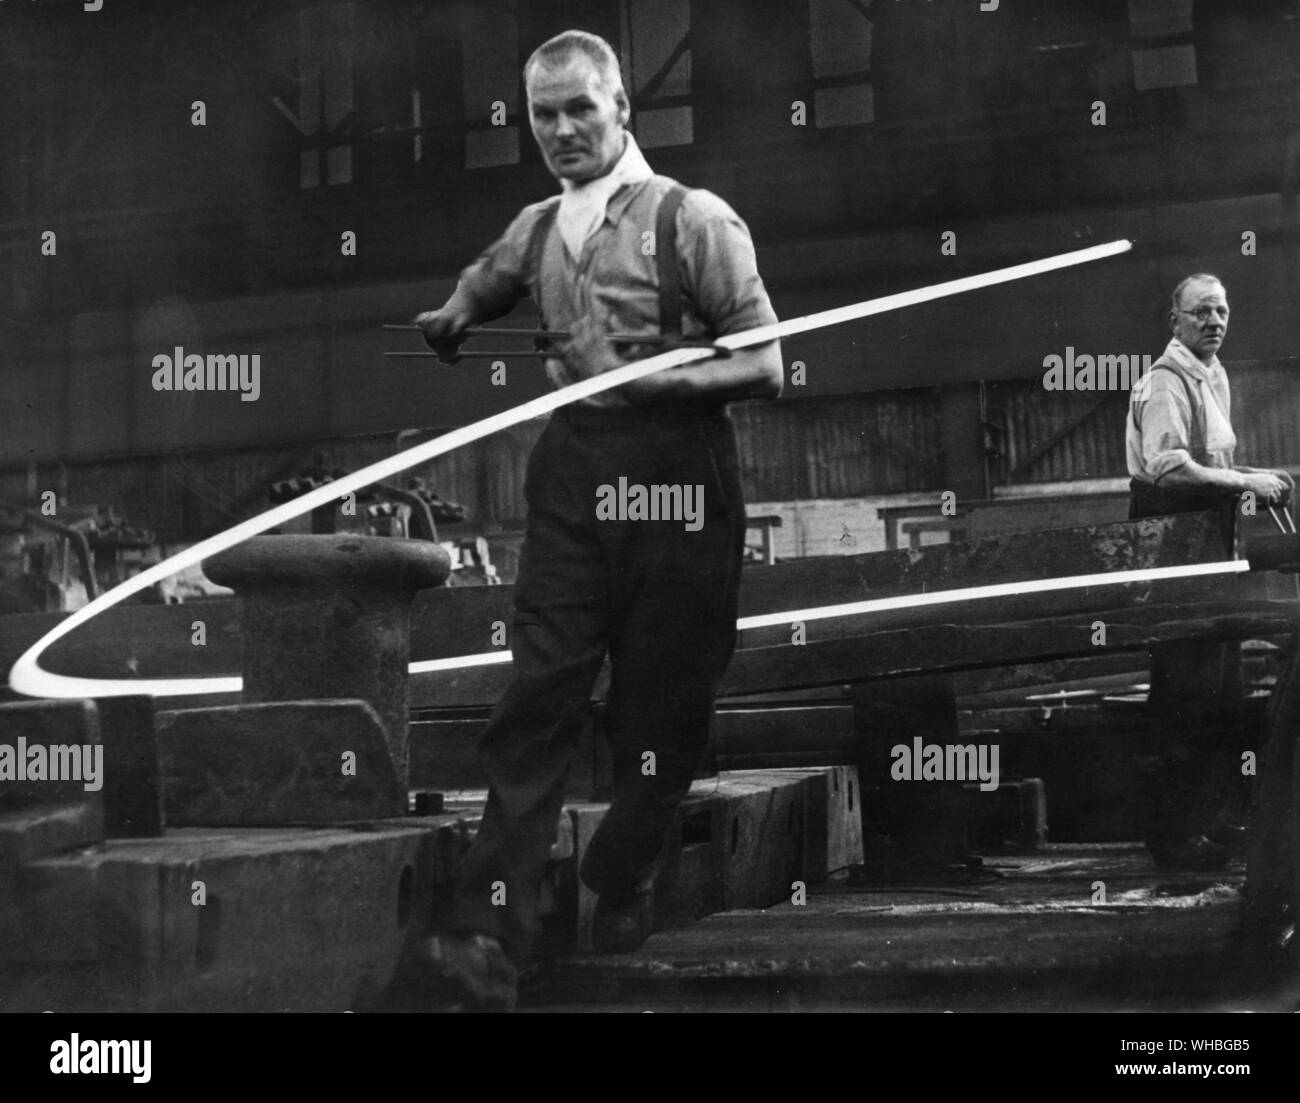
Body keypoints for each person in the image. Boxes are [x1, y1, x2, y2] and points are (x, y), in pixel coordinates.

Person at [412, 29, 782, 1009]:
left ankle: (621, 868)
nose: (564, 129)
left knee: (660, 705)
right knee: (538, 693)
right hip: (572, 468)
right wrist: (452, 315)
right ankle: (488, 931)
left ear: (623, 105)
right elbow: (491, 275)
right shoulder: (537, 226)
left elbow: (765, 363)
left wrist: (662, 371)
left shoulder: (694, 219)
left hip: (678, 475)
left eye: (581, 107)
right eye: (544, 114)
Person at [1126, 273, 1292, 869]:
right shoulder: (1164, 384)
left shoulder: (1211, 375)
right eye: (1200, 313)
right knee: (1184, 695)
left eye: (1221, 310)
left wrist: (1256, 473)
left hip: (1208, 545)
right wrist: (1247, 482)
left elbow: (1210, 462)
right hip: (1172, 545)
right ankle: (1174, 837)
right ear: (1176, 321)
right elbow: (1170, 470)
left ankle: (1211, 821)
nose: (1214, 322)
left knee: (1219, 691)